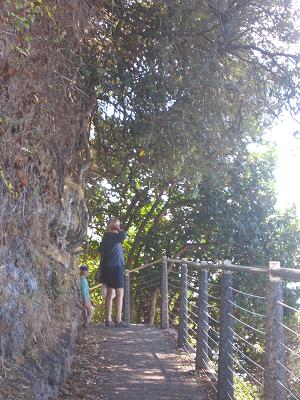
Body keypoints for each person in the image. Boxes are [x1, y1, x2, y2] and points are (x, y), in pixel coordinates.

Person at [100, 218, 127, 327]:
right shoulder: (112, 236)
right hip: (116, 268)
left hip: (107, 268)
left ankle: (108, 319)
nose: (118, 227)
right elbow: (123, 235)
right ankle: (118, 320)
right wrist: (117, 227)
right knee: (120, 294)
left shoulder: (105, 237)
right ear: (113, 226)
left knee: (110, 293)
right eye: (117, 225)